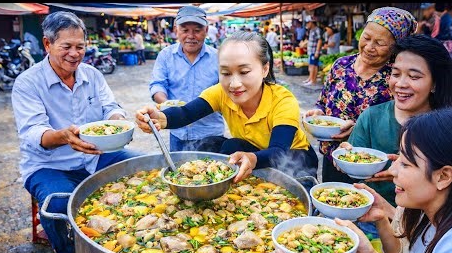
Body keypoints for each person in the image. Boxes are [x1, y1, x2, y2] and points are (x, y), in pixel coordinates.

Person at [11, 11, 143, 253]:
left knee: (140, 166)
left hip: (95, 155)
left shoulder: (92, 75)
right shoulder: (27, 83)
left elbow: (111, 107)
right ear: (48, 45)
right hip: (48, 165)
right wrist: (64, 137)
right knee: (58, 203)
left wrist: (117, 121)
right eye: (66, 47)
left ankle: (125, 235)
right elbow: (35, 133)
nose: (75, 53)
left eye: (80, 46)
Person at [275, 108, 452, 253]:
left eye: (406, 164)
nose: (391, 171)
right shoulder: (426, 215)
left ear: (443, 177)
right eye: (397, 159)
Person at [136, 31, 319, 183]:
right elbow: (186, 113)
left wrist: (253, 159)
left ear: (264, 69)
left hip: (295, 157)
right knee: (225, 145)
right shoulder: (221, 92)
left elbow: (279, 151)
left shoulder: (283, 100)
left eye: (244, 72)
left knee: (296, 181)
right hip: (253, 148)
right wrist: (161, 118)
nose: (234, 84)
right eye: (225, 73)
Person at [339, 34, 452, 209]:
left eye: (414, 77)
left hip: (427, 222)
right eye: (396, 74)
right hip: (371, 214)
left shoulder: (449, 128)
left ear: (434, 84)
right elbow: (354, 170)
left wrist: (414, 171)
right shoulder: (371, 117)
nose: (400, 84)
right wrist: (345, 157)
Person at [305, 6, 418, 184]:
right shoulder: (341, 65)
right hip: (332, 155)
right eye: (366, 38)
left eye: (380, 43)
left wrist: (357, 128)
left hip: (370, 165)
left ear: (395, 47)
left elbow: (397, 121)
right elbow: (323, 100)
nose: (369, 47)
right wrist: (318, 113)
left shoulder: (395, 78)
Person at [149, 5, 225, 152]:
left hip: (210, 133)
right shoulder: (165, 55)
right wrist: (167, 103)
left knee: (214, 172)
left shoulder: (219, 58)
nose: (191, 36)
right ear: (176, 30)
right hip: (178, 132)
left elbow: (227, 91)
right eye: (185, 30)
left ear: (206, 31)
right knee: (178, 174)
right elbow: (158, 84)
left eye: (197, 30)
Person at [302, 16, 323, 85]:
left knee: (314, 66)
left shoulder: (317, 30)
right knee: (311, 65)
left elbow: (320, 41)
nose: (307, 24)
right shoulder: (311, 30)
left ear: (311, 22)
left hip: (314, 51)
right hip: (311, 51)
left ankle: (313, 80)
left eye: (308, 23)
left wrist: (317, 51)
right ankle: (310, 79)